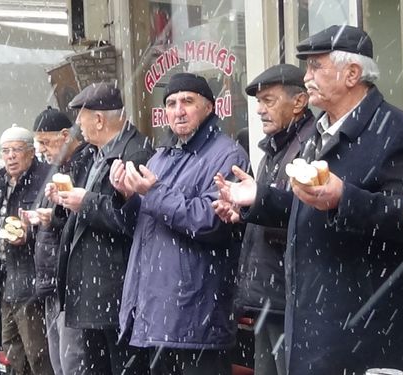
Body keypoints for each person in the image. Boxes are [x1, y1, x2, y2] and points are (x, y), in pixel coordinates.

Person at [214, 26, 403, 374]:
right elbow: (311, 206)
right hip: (312, 324)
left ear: (352, 74)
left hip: (364, 329)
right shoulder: (319, 131)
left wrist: (345, 198)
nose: (307, 77)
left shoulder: (398, 132)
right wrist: (261, 198)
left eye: (316, 66)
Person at [109, 73, 250, 374]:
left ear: (209, 108)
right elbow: (146, 225)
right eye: (171, 103)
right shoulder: (161, 156)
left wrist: (153, 192)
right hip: (156, 314)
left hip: (196, 315)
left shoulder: (228, 154)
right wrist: (126, 197)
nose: (178, 110)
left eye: (188, 101)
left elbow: (211, 220)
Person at [45, 82, 153, 374]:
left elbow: (136, 220)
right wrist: (67, 202)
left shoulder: (134, 153)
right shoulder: (99, 152)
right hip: (96, 291)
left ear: (100, 119)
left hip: (115, 290)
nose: (79, 126)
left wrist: (86, 202)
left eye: (82, 118)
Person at [216, 64, 315, 375]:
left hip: (291, 298)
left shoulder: (311, 145)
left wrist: (258, 201)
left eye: (268, 101)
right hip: (267, 297)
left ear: (299, 102)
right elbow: (274, 210)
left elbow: (306, 214)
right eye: (258, 102)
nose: (259, 110)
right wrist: (242, 214)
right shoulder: (273, 150)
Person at [0, 124, 53, 375]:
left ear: (31, 152)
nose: (10, 156)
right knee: (12, 350)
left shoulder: (44, 179)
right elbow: (2, 223)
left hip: (33, 279)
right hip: (7, 277)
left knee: (38, 352)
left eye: (17, 150)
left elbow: (56, 225)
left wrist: (30, 234)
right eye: (5, 151)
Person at [32, 106, 94, 375]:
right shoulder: (58, 168)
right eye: (39, 144)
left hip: (74, 279)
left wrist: (55, 216)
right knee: (59, 361)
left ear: (66, 135)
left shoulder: (87, 162)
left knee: (73, 362)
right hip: (54, 279)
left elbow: (83, 219)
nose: (42, 150)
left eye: (45, 142)